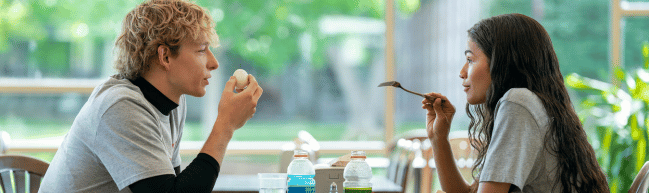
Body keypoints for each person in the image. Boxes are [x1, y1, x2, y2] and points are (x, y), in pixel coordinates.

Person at [39, 0, 263, 192]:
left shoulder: (172, 100)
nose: (214, 63)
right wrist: (225, 125)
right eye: (202, 50)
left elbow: (174, 185)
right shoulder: (120, 107)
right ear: (165, 56)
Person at [422, 13, 610, 193]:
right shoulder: (531, 104)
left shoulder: (518, 104)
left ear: (500, 63)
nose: (462, 72)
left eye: (470, 60)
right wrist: (439, 138)